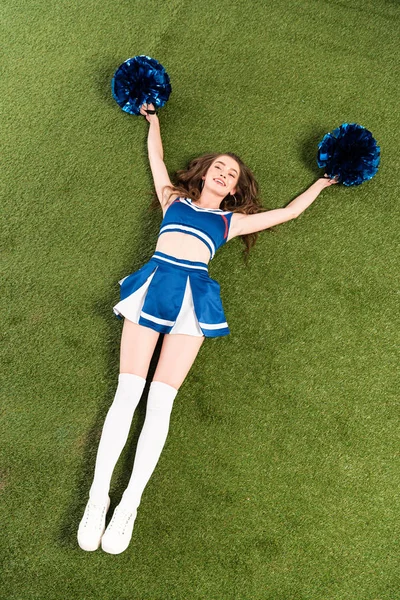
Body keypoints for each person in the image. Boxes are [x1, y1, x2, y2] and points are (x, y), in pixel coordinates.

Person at [77, 102, 338, 555]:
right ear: (202, 176)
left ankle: (129, 505)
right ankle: (97, 499)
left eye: (231, 174)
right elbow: (157, 160)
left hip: (194, 301)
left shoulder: (229, 222)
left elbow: (290, 213)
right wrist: (154, 122)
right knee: (127, 392)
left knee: (161, 400)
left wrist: (323, 180)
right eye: (218, 167)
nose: (223, 174)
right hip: (155, 284)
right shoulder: (173, 201)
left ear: (235, 190)